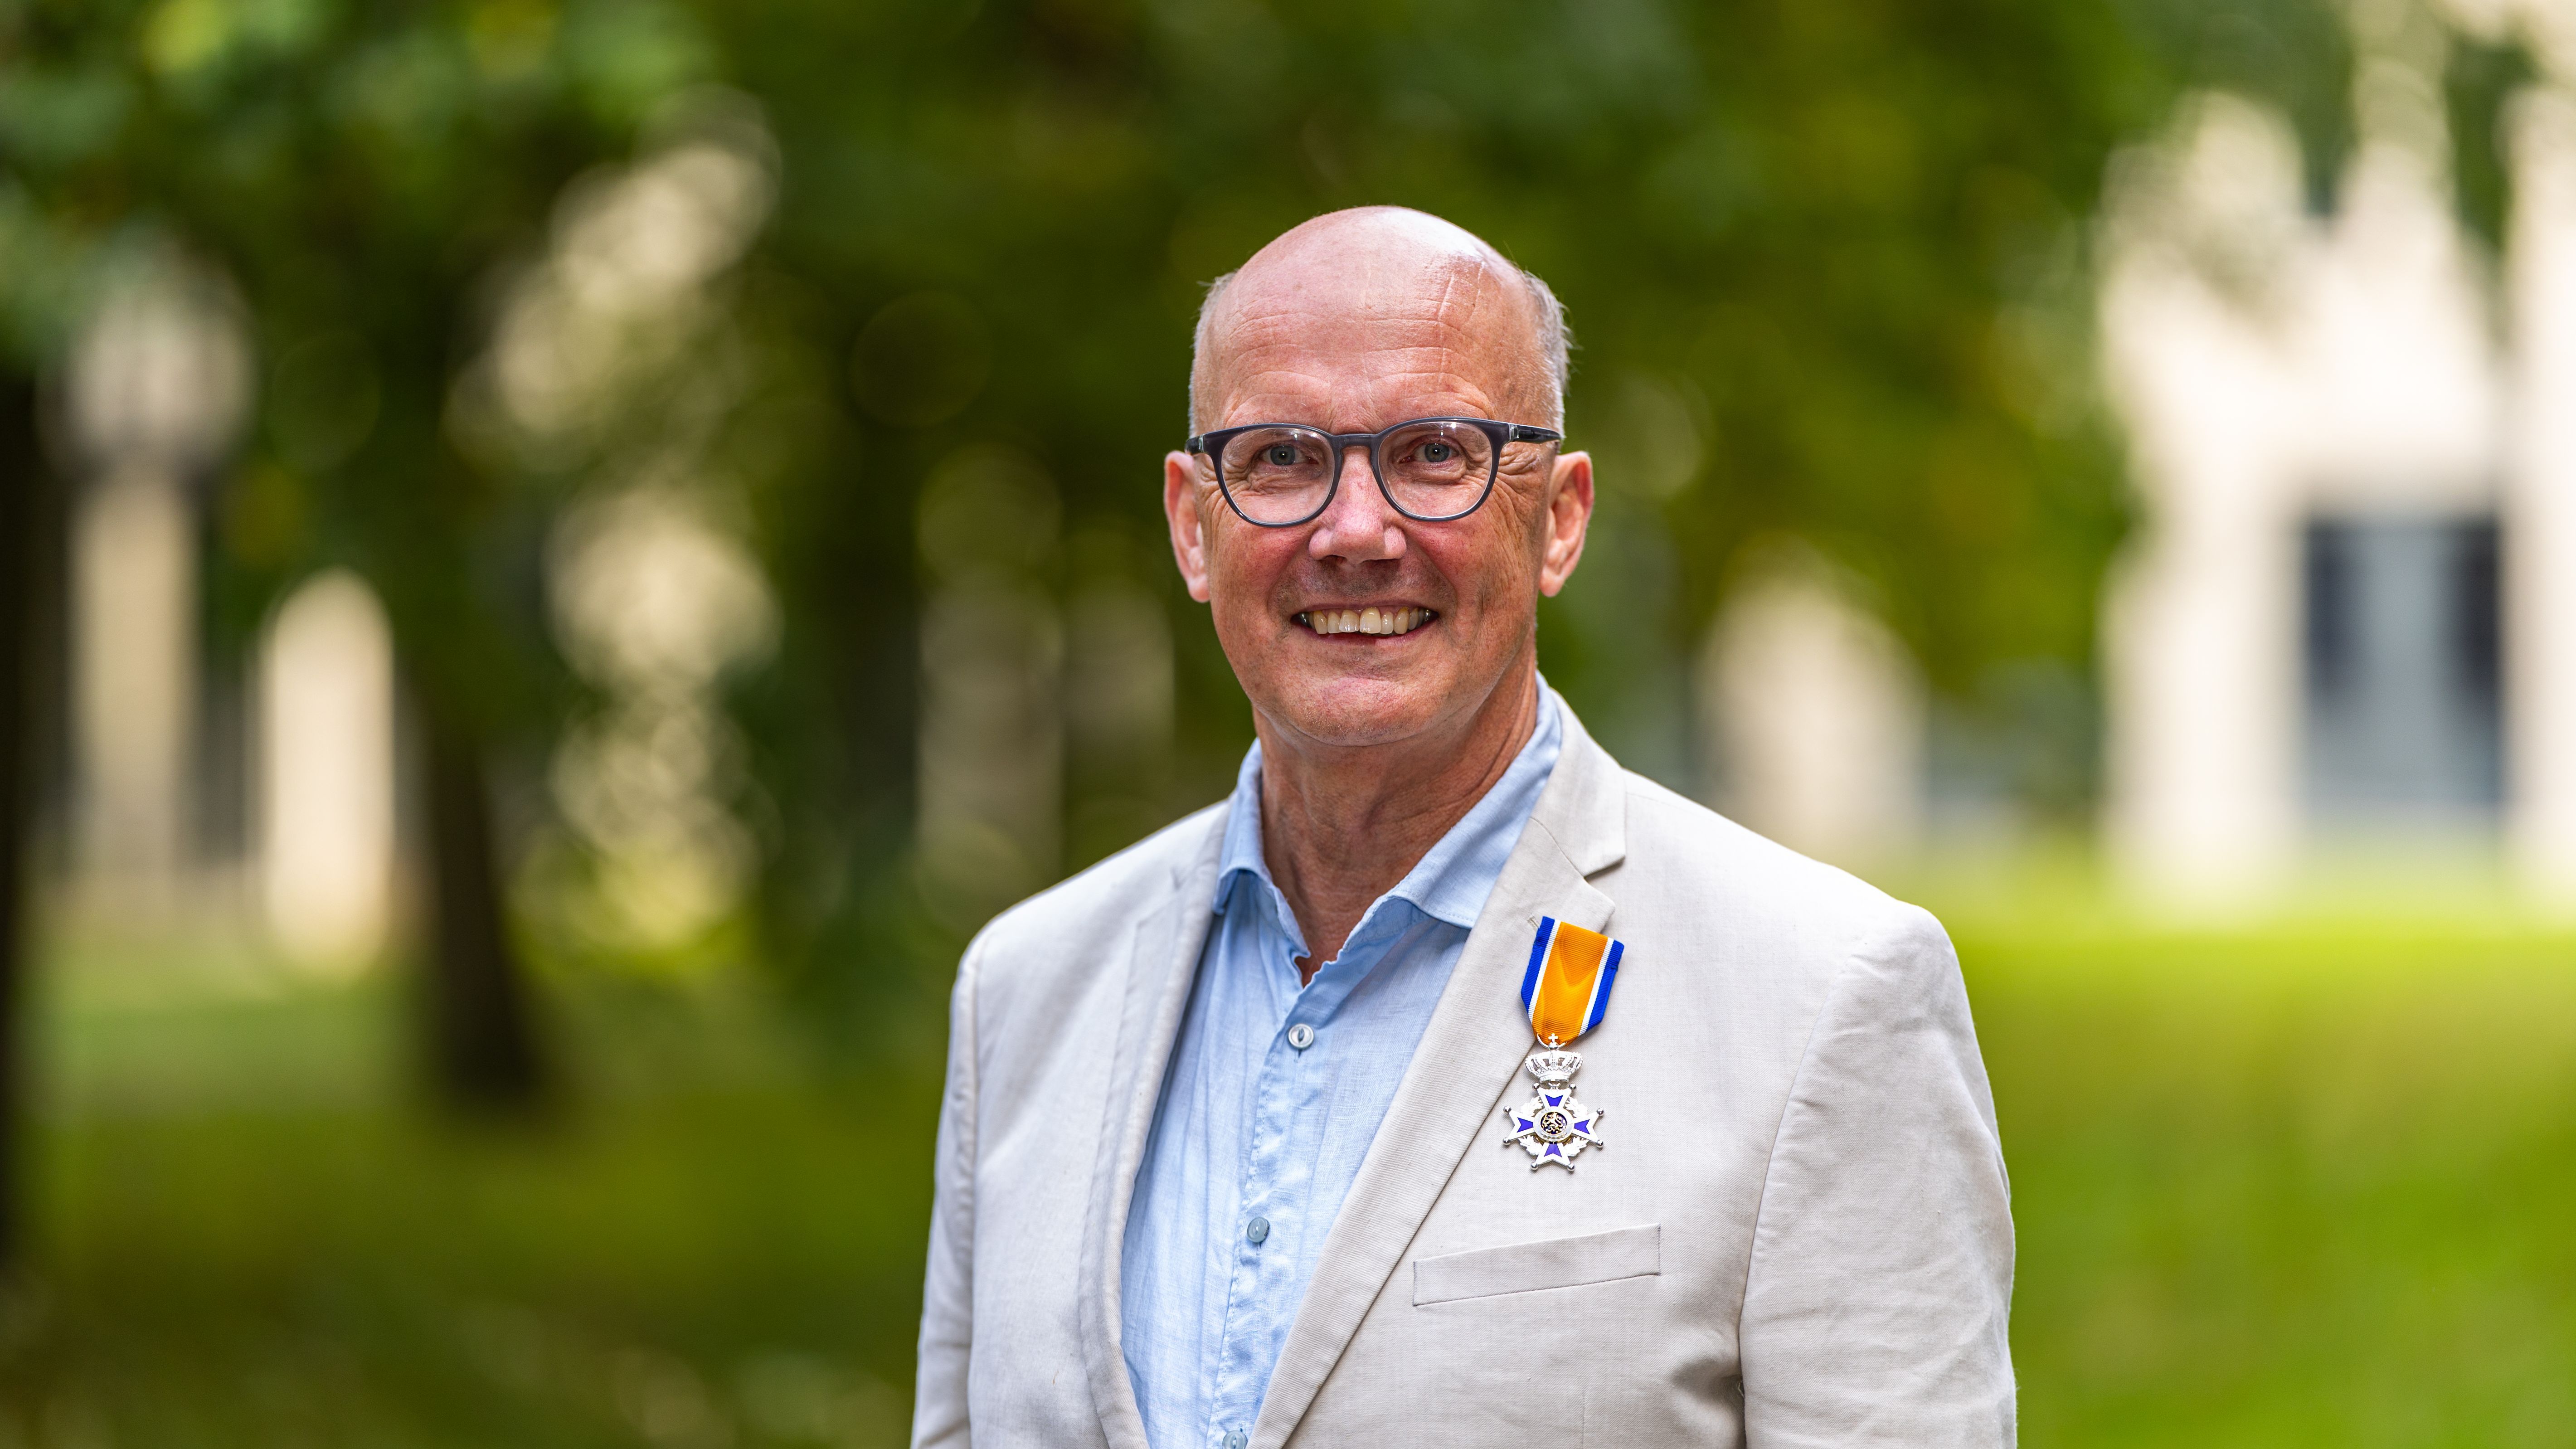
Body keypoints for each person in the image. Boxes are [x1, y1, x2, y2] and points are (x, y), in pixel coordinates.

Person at [910, 207, 2014, 1449]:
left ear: (1557, 517)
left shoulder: (1823, 997)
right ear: (1191, 522)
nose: (1354, 530)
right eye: (1279, 456)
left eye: (1435, 452)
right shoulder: (1024, 990)